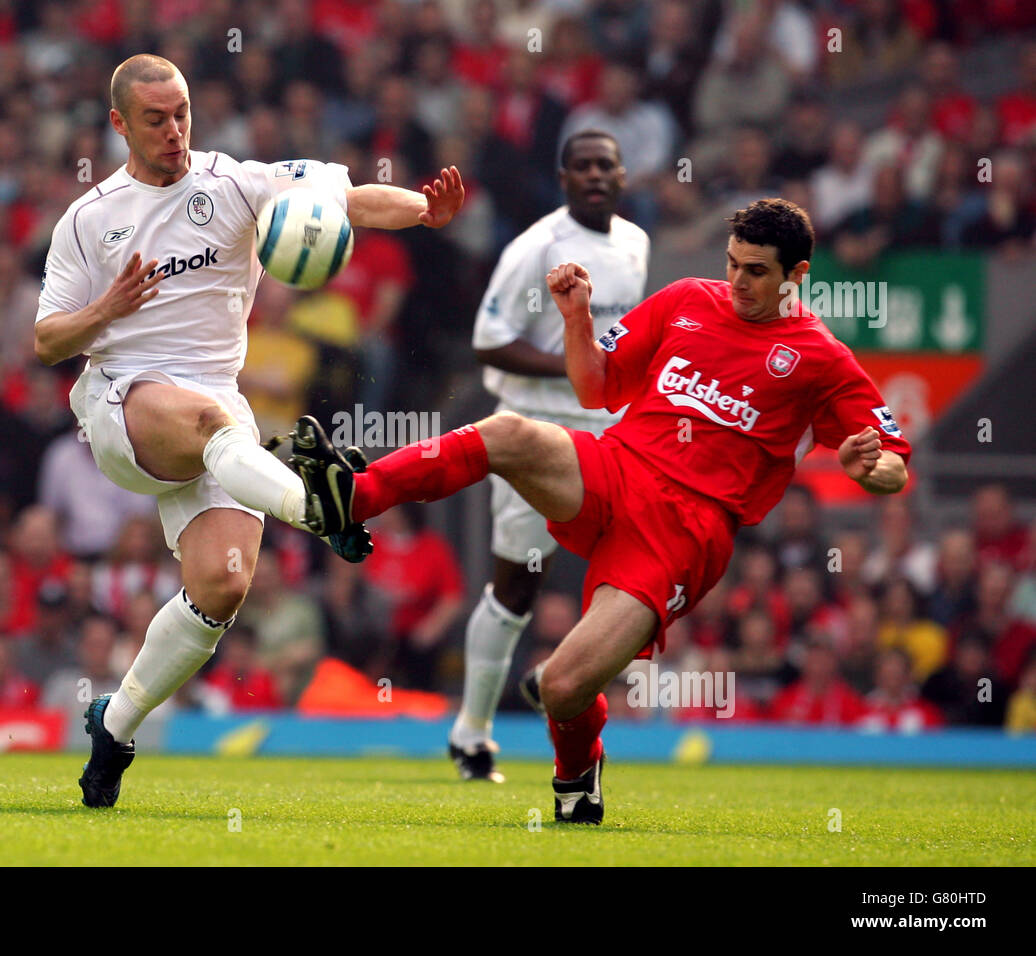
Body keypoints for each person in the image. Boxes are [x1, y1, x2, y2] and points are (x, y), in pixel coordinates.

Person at [292, 198, 911, 823]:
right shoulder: (687, 299)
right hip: (616, 469)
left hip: (685, 532)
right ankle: (353, 499)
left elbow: (893, 463)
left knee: (561, 686)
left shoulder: (821, 356)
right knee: (508, 432)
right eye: (732, 264)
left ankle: (577, 779)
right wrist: (577, 320)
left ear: (797, 275)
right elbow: (595, 387)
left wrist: (870, 468)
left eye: (756, 271)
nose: (738, 282)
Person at [34, 55, 463, 808]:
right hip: (122, 404)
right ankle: (324, 509)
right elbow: (46, 341)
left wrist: (424, 213)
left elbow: (351, 200)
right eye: (155, 120)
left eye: (182, 114)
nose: (174, 131)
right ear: (118, 126)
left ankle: (115, 725)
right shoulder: (90, 219)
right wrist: (108, 308)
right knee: (214, 422)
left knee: (223, 588)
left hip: (216, 416)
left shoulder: (234, 182)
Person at [450, 129, 648, 782]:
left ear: (622, 176)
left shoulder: (635, 243)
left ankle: (560, 678)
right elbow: (487, 339)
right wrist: (575, 365)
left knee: (645, 573)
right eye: (582, 167)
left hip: (608, 433)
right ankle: (473, 733)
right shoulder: (535, 247)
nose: (595, 176)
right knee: (518, 586)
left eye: (606, 166)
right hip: (534, 431)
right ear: (563, 179)